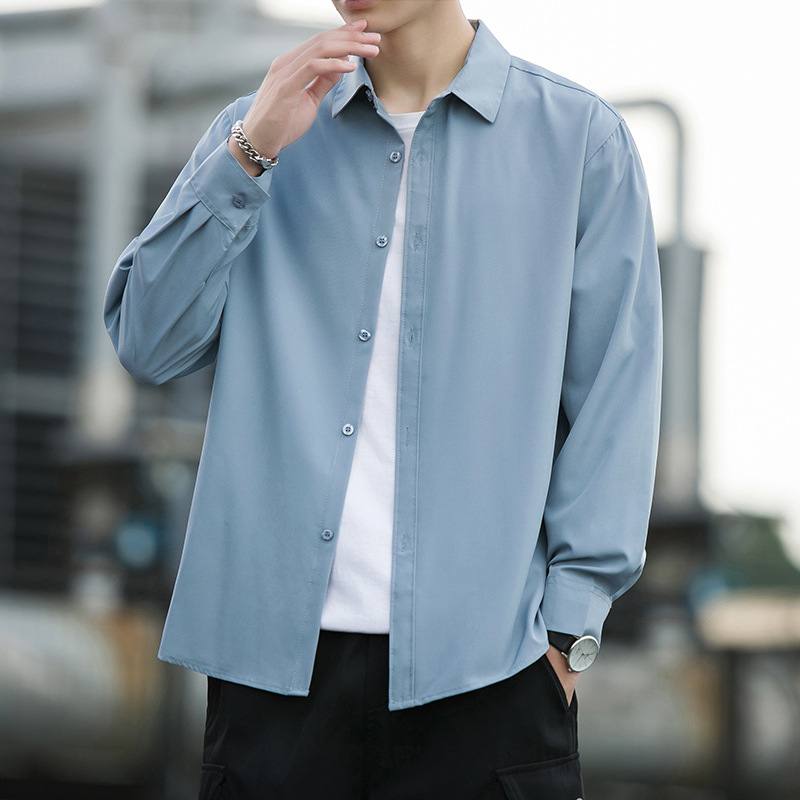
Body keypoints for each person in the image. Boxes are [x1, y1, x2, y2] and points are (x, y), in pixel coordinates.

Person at [104, 0, 661, 797]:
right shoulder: (256, 129)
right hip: (273, 682)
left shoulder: (580, 142)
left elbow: (616, 401)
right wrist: (250, 153)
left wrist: (568, 637)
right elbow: (148, 342)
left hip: (490, 677)